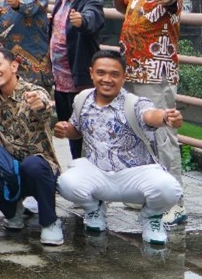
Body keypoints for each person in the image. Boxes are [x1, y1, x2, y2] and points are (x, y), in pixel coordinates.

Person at [55, 50, 184, 246]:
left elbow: (151, 115)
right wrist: (65, 130)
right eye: (101, 73)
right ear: (91, 73)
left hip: (135, 176)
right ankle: (94, 208)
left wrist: (166, 117)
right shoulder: (83, 99)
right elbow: (77, 130)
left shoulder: (135, 103)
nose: (107, 79)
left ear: (124, 77)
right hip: (98, 172)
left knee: (169, 189)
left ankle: (151, 217)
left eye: (114, 74)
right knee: (66, 183)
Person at [112, 0, 186, 225]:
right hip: (132, 71)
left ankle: (174, 204)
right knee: (138, 134)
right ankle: (147, 194)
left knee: (163, 136)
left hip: (156, 73)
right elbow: (128, 11)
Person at [0, 48, 63, 246]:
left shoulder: (32, 92)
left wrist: (39, 104)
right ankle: (13, 212)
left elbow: (43, 105)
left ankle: (50, 222)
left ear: (14, 66)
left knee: (32, 165)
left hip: (40, 169)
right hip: (8, 167)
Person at [48, 0, 105, 160]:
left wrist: (82, 21)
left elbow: (93, 17)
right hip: (60, 78)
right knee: (69, 128)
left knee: (87, 129)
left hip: (78, 78)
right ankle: (77, 168)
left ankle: (92, 170)